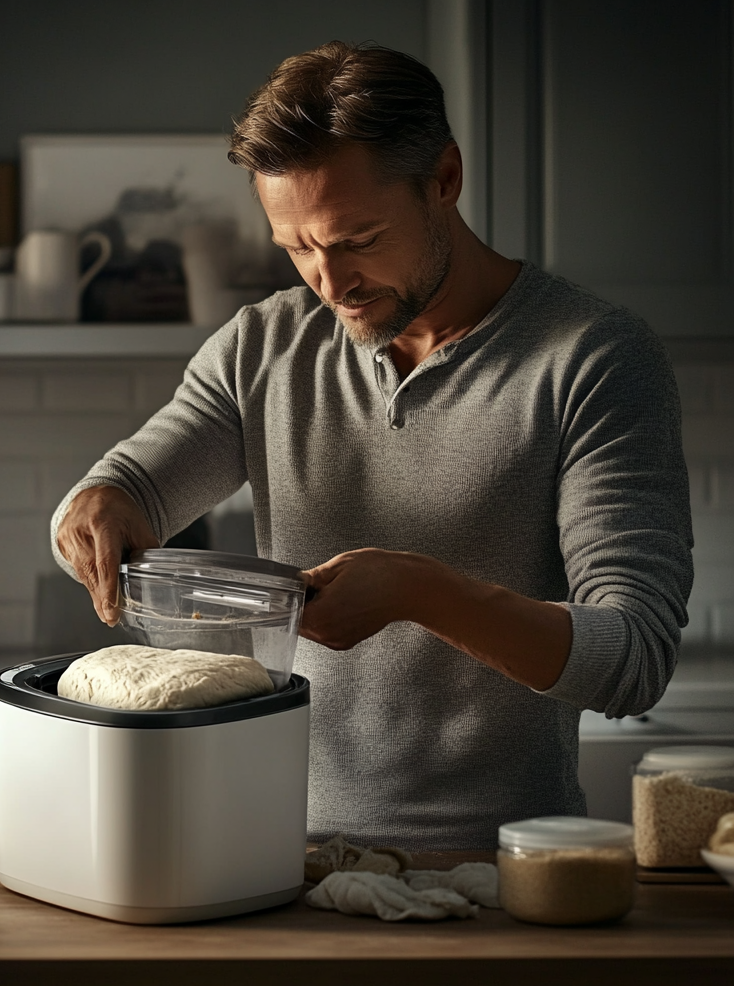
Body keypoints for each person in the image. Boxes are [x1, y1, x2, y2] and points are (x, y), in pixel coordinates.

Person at [52, 41, 693, 849]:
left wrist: (420, 593)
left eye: (357, 238)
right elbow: (130, 488)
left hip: (507, 865)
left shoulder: (592, 358)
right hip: (275, 851)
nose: (330, 282)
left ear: (446, 180)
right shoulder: (263, 347)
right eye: (296, 247)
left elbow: (633, 659)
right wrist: (97, 506)